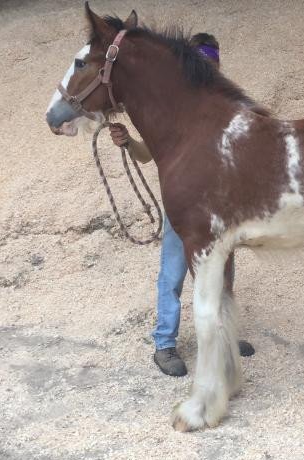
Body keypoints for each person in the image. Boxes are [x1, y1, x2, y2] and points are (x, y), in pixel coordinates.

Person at [110, 33, 255, 377]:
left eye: (212, 65)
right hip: (187, 207)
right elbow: (149, 154)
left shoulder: (229, 105)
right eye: (204, 64)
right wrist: (130, 141)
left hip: (223, 207)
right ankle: (164, 344)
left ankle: (225, 335)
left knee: (224, 273)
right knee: (173, 272)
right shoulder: (176, 110)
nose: (209, 70)